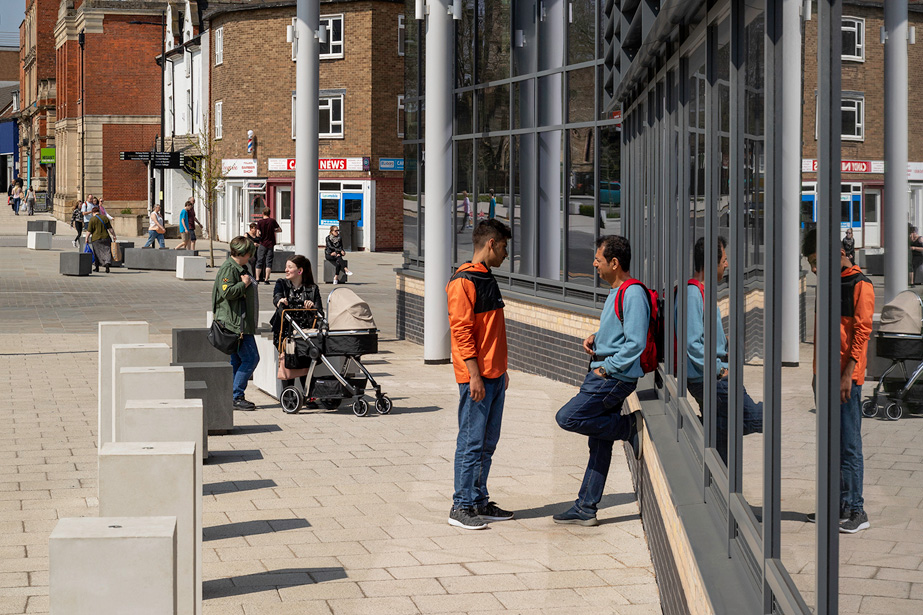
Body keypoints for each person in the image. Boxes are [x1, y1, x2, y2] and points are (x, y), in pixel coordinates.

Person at [553, 235, 645, 527]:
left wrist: (607, 368)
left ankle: (627, 426)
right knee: (599, 444)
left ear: (614, 263)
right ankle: (586, 508)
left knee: (567, 417)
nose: (594, 264)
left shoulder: (632, 294)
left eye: (598, 259)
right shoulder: (616, 292)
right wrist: (597, 337)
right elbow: (619, 333)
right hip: (604, 372)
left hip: (611, 378)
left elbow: (635, 343)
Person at [802, 229, 874, 533]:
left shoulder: (861, 284)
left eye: (817, 261)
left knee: (849, 445)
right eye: (811, 264)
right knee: (832, 445)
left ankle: (857, 510)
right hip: (824, 374)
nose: (815, 269)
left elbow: (862, 332)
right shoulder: (831, 283)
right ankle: (839, 506)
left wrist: (848, 374)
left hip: (847, 379)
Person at [445, 219, 514, 530]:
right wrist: (474, 375)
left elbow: (492, 332)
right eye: (503, 247)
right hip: (478, 377)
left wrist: (502, 370)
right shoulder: (463, 282)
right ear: (490, 244)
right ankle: (460, 506)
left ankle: (478, 501)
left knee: (487, 443)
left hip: (494, 375)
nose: (505, 253)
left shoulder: (486, 277)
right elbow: (462, 333)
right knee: (471, 442)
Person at [682, 236, 763, 465]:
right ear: (711, 263)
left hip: (710, 377)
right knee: (761, 417)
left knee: (720, 442)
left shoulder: (699, 292)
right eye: (724, 260)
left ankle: (720, 491)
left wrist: (722, 341)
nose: (726, 265)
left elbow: (700, 336)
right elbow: (692, 344)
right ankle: (690, 428)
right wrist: (718, 370)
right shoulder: (693, 294)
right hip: (712, 380)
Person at [213, 236, 260, 410]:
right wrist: (244, 284)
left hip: (242, 322)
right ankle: (236, 395)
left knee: (238, 360)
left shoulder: (240, 267)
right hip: (235, 324)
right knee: (251, 358)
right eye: (249, 254)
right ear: (242, 252)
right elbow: (227, 293)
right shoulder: (229, 269)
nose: (251, 257)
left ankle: (231, 394)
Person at [271, 255, 324, 392]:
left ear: (300, 271)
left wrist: (312, 306)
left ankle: (308, 394)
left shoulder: (312, 289)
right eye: (286, 267)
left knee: (305, 361)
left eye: (290, 267)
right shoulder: (281, 284)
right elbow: (276, 297)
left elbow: (320, 312)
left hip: (304, 331)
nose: (286, 270)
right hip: (285, 331)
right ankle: (288, 395)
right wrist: (280, 301)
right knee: (288, 361)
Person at [85, 205, 117, 273]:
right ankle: (107, 263)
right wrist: (114, 235)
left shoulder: (92, 219)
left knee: (97, 253)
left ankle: (97, 268)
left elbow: (89, 231)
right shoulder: (105, 218)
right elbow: (110, 229)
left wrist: (86, 239)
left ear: (93, 212)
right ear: (98, 211)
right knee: (107, 251)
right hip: (106, 237)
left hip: (96, 239)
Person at [255, 207, 282, 285]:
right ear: (269, 213)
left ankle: (257, 279)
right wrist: (273, 230)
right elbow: (280, 229)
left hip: (262, 243)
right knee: (269, 261)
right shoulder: (272, 221)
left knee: (259, 260)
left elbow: (257, 233)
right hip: (270, 243)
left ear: (262, 213)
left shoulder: (260, 222)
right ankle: (266, 279)